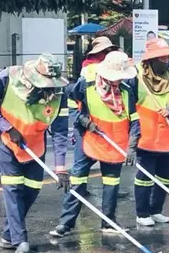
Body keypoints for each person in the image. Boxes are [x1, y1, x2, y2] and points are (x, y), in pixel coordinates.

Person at [0, 54, 70, 253]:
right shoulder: (7, 77)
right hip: (7, 141)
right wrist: (8, 127)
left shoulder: (59, 94)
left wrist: (61, 168)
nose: (49, 89)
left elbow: (60, 131)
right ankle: (20, 240)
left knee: (32, 189)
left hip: (35, 146)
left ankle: (8, 234)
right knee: (13, 189)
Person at [50, 51, 138, 238]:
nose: (117, 81)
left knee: (111, 182)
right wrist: (84, 121)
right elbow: (72, 105)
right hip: (89, 139)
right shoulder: (86, 85)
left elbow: (134, 119)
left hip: (113, 142)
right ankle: (66, 223)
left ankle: (109, 222)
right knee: (78, 180)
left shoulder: (126, 90)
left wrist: (132, 145)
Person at [128, 39, 169, 227]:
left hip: (167, 136)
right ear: (151, 60)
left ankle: (156, 210)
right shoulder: (136, 77)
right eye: (162, 57)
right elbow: (129, 107)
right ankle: (142, 213)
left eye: (168, 57)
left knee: (164, 177)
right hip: (145, 136)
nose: (167, 60)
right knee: (145, 177)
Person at [70, 37, 121, 197]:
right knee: (83, 162)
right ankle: (79, 191)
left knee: (94, 164)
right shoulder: (92, 68)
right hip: (89, 119)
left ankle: (107, 191)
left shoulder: (93, 65)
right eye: (107, 50)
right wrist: (84, 120)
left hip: (101, 119)